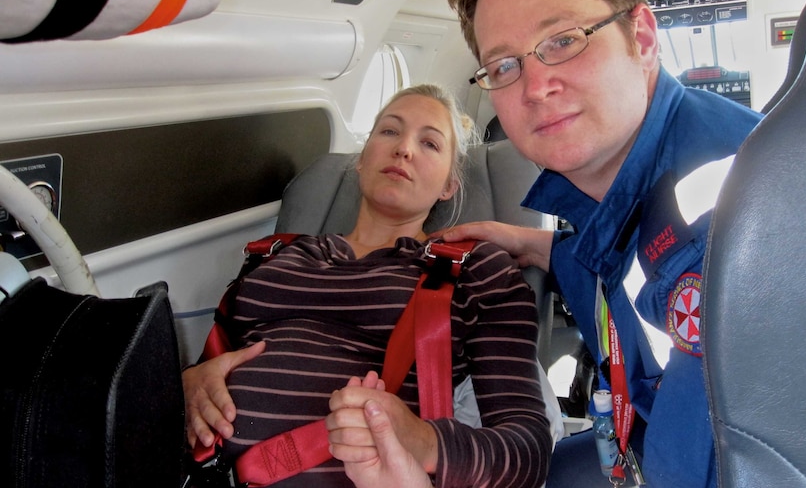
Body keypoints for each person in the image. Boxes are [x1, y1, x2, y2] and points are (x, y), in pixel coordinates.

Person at [436, 0, 763, 488]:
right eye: (505, 65)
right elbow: (624, 264)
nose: (536, 86)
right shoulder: (628, 187)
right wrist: (533, 245)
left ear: (640, 37)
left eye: (563, 41)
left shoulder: (727, 210)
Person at [182, 84, 553, 488]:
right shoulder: (273, 255)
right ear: (361, 160)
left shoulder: (477, 268)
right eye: (389, 132)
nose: (403, 149)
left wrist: (424, 441)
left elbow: (528, 452)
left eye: (429, 143)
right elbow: (213, 362)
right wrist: (188, 382)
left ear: (449, 185)